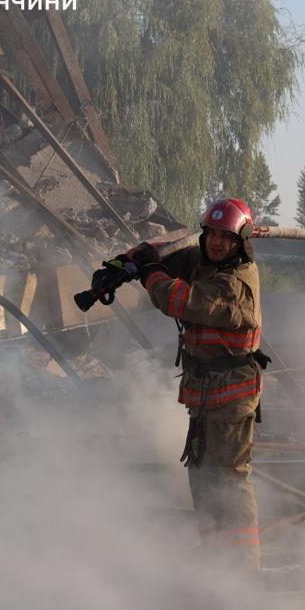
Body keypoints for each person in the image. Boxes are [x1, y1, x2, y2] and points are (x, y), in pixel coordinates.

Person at [121, 197, 267, 571]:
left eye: (225, 237)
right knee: (202, 480)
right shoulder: (208, 258)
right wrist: (138, 256)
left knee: (230, 482)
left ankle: (244, 574)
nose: (216, 242)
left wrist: (149, 272)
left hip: (231, 398)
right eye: (211, 234)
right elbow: (172, 254)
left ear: (241, 242)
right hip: (205, 395)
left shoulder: (234, 282)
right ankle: (217, 567)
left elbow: (177, 298)